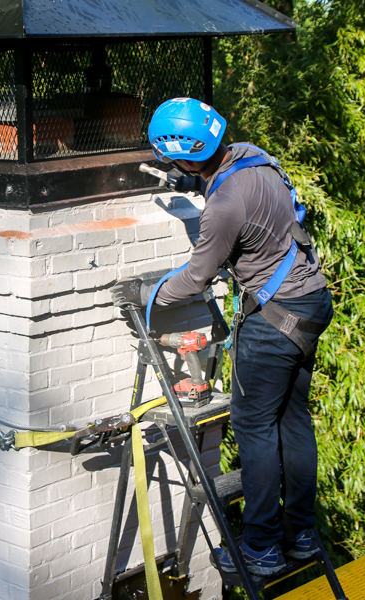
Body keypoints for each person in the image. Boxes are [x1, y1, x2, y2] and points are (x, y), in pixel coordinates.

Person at [111, 98, 333, 576]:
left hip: (273, 321)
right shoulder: (255, 157)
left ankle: (261, 548)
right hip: (311, 303)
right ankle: (301, 536)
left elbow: (195, 279)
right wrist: (189, 181)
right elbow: (229, 185)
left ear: (182, 151)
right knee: (294, 423)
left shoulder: (223, 209)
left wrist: (149, 295)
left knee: (255, 430)